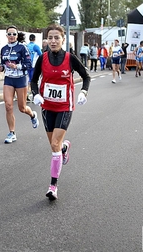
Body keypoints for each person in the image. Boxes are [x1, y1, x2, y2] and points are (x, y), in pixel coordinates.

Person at [30, 23, 91, 201]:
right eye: (50, 37)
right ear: (46, 40)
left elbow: (86, 76)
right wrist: (35, 95)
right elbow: (34, 81)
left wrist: (84, 92)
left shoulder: (70, 58)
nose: (53, 40)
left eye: (57, 37)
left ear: (63, 39)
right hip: (47, 106)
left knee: (54, 146)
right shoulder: (42, 59)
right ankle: (65, 147)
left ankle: (53, 186)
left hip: (65, 106)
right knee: (55, 145)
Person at [0, 25, 39, 144]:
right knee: (8, 105)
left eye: (14, 34)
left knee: (22, 108)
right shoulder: (4, 49)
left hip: (20, 79)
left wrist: (17, 66)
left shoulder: (22, 48)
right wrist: (1, 68)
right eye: (9, 34)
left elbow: (28, 64)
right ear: (6, 35)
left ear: (17, 35)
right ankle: (12, 133)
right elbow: (3, 64)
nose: (11, 36)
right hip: (8, 79)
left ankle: (32, 115)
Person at [27, 34, 42, 101]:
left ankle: (26, 95)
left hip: (27, 66)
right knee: (34, 81)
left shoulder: (26, 46)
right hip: (34, 65)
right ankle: (34, 95)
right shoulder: (36, 46)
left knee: (28, 80)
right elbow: (41, 55)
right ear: (34, 39)